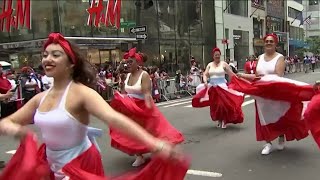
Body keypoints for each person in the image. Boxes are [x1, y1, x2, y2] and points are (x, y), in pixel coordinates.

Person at [0, 33, 188, 179]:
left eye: (55, 55)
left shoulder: (81, 93)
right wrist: (19, 132)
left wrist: (154, 144)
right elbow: (6, 123)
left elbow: (113, 118)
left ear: (71, 64)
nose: (47, 59)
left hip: (79, 164)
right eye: (45, 55)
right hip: (50, 165)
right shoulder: (39, 98)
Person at [234, 33, 313, 155]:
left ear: (275, 44)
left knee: (279, 115)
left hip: (276, 93)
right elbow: (256, 76)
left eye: (271, 41)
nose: (268, 43)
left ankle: (281, 136)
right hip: (262, 93)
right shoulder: (259, 57)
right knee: (263, 118)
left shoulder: (279, 57)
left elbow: (278, 75)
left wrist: (263, 77)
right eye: (267, 41)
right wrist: (242, 75)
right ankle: (268, 142)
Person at [110, 47, 184, 167]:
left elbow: (147, 94)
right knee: (131, 133)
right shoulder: (127, 76)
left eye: (130, 62)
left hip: (142, 107)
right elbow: (124, 93)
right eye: (127, 62)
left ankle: (157, 149)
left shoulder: (144, 75)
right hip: (130, 108)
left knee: (151, 131)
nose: (128, 64)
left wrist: (150, 109)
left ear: (138, 63)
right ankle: (139, 155)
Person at [192, 47, 244, 129]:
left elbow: (231, 74)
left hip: (222, 87)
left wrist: (239, 79)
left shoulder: (224, 64)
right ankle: (219, 120)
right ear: (213, 56)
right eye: (216, 55)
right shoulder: (209, 65)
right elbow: (205, 74)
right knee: (215, 105)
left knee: (222, 104)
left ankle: (224, 120)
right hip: (213, 88)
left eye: (218, 55)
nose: (217, 56)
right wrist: (205, 81)